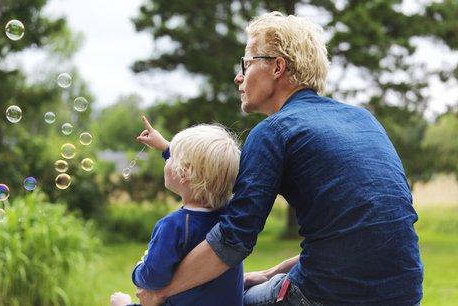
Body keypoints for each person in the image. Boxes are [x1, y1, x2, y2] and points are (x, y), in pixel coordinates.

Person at [136, 11, 423, 306]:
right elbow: (366, 228)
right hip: (406, 292)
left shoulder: (275, 131)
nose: (238, 77)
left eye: (246, 64)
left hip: (330, 297)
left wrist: (163, 291)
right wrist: (274, 273)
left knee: (219, 299)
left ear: (277, 68)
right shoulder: (363, 119)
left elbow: (233, 240)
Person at [110, 117, 243, 306]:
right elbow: (195, 166)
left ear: (183, 173)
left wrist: (139, 268)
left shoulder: (173, 226)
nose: (168, 157)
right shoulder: (230, 216)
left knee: (118, 301)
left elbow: (153, 279)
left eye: (172, 157)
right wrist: (165, 147)